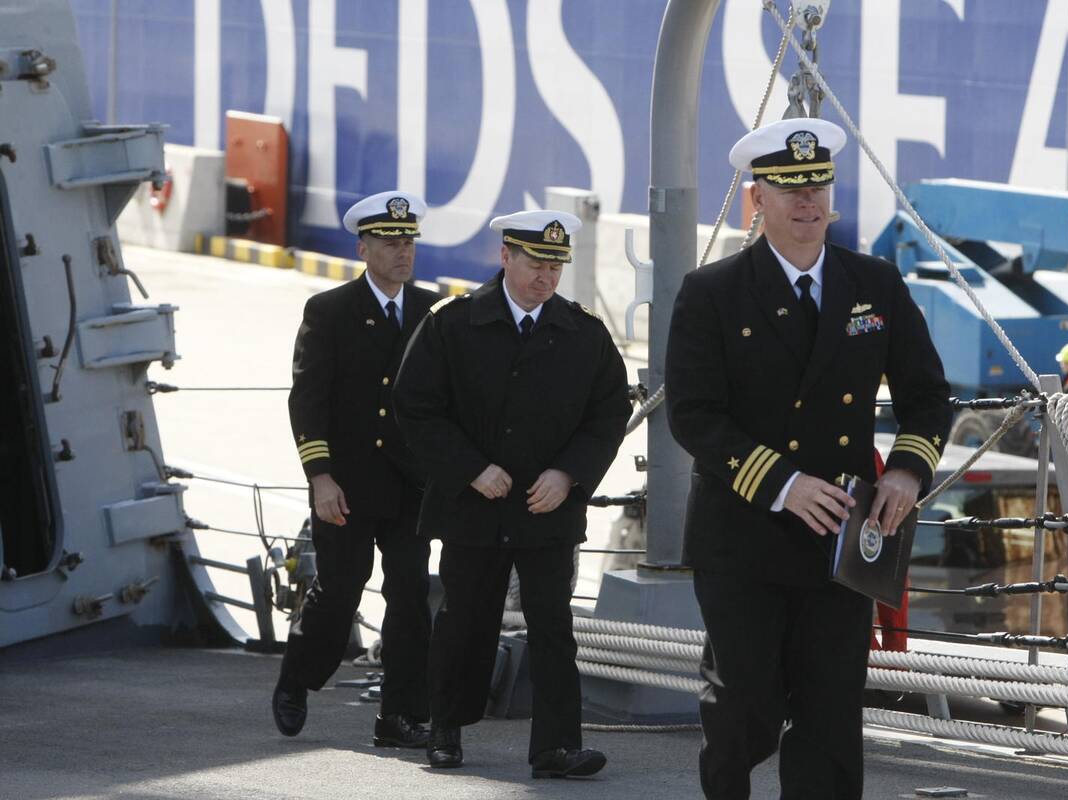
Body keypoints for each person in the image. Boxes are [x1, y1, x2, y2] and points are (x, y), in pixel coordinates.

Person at [665, 117, 953, 800]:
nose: (807, 201)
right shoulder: (711, 292)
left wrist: (907, 471)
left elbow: (926, 396)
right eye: (790, 188)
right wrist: (783, 482)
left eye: (817, 186)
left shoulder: (874, 283)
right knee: (744, 707)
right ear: (756, 198)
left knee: (830, 715)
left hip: (842, 541)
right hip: (744, 534)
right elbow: (694, 416)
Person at [394, 210, 631, 778]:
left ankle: (556, 747)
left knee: (553, 628)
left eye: (556, 266)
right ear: (505, 257)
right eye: (535, 264)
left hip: (547, 509)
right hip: (473, 506)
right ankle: (445, 730)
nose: (546, 277)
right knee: (463, 623)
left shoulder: (584, 333)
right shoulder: (452, 323)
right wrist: (470, 469)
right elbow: (416, 405)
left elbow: (607, 414)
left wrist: (568, 474)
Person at [272, 191, 440, 750]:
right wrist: (319, 476)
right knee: (340, 590)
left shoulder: (432, 311)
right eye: (390, 243)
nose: (403, 252)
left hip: (409, 484)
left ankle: (400, 715)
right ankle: (298, 676)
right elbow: (308, 400)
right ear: (363, 248)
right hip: (346, 484)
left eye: (409, 241)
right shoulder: (330, 310)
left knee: (411, 595)